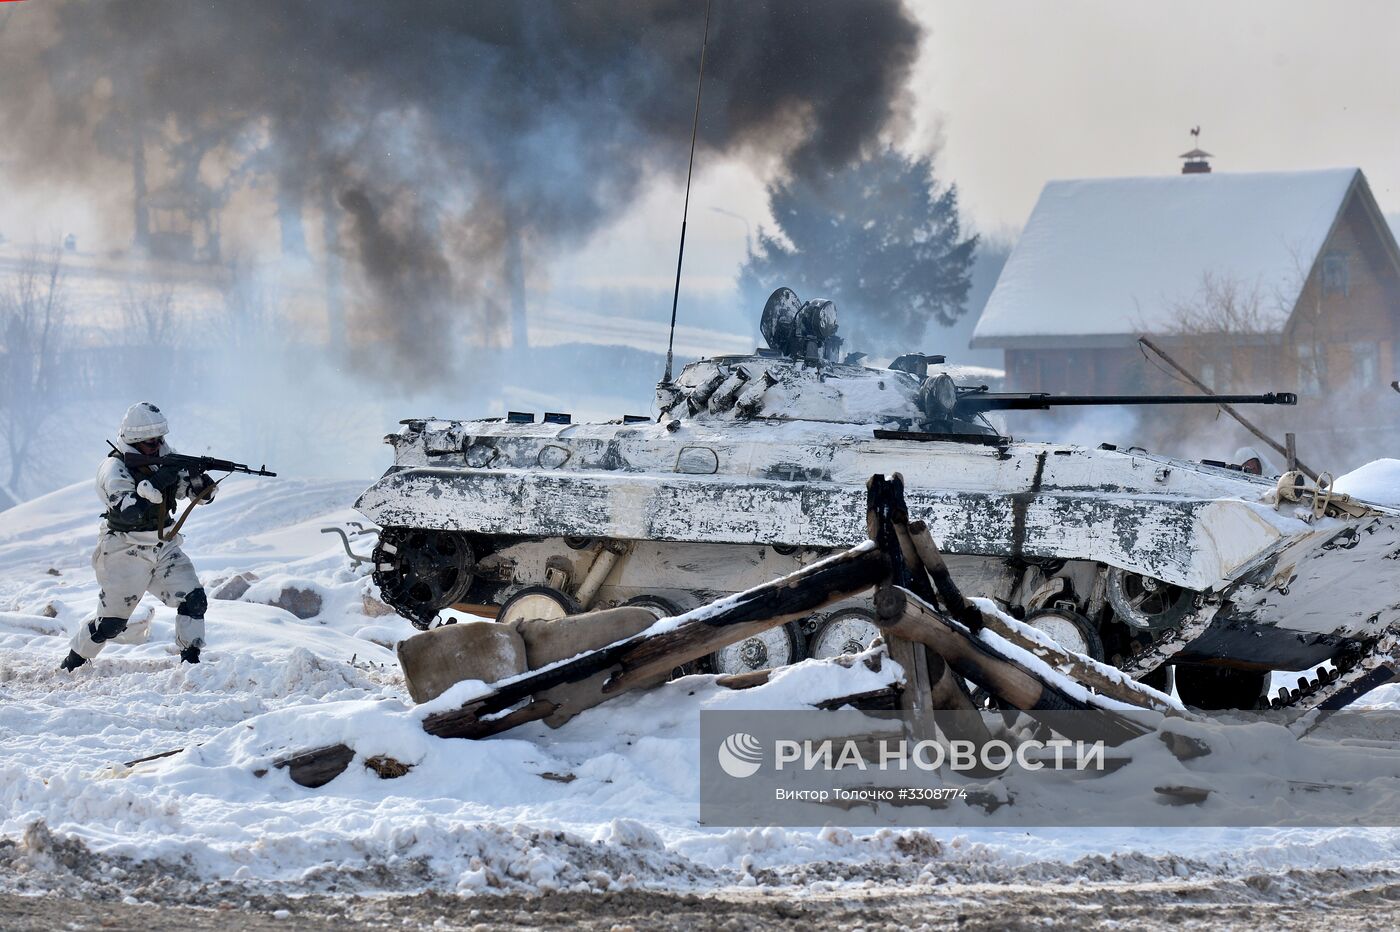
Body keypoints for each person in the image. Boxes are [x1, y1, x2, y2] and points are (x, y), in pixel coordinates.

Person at [60, 402, 217, 671]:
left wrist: (198, 481)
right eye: (149, 442)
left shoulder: (164, 458)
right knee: (111, 624)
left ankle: (192, 665)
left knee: (194, 600)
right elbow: (128, 511)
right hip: (124, 550)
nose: (156, 445)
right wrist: (157, 482)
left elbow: (195, 496)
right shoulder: (114, 468)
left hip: (163, 545)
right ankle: (71, 664)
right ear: (134, 442)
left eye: (159, 440)